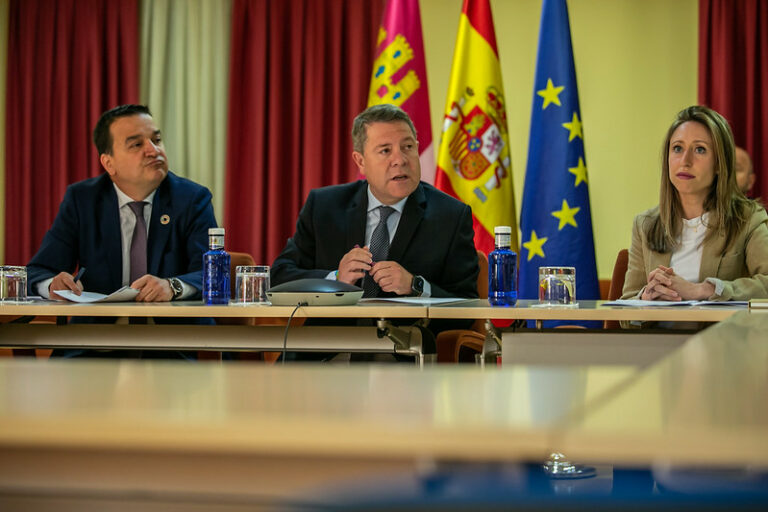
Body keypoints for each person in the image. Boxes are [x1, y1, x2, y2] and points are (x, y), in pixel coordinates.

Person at [27, 104, 218, 356]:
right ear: (109, 163)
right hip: (95, 343)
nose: (153, 150)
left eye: (156, 139)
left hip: (172, 344)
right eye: (136, 144)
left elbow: (210, 273)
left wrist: (173, 286)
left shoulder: (192, 199)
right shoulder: (82, 200)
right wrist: (52, 284)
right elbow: (37, 271)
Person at [272, 103, 479, 300]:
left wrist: (416, 286)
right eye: (385, 151)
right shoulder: (324, 207)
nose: (400, 160)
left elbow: (468, 303)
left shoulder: (450, 216)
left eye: (407, 147)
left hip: (409, 335)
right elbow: (278, 277)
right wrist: (335, 278)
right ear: (360, 161)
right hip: (332, 335)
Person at [622, 105, 768, 303]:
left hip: (720, 334)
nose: (685, 160)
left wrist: (702, 290)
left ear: (719, 163)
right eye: (677, 148)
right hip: (656, 334)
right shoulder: (644, 224)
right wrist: (647, 296)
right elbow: (627, 311)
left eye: (700, 149)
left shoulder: (749, 219)